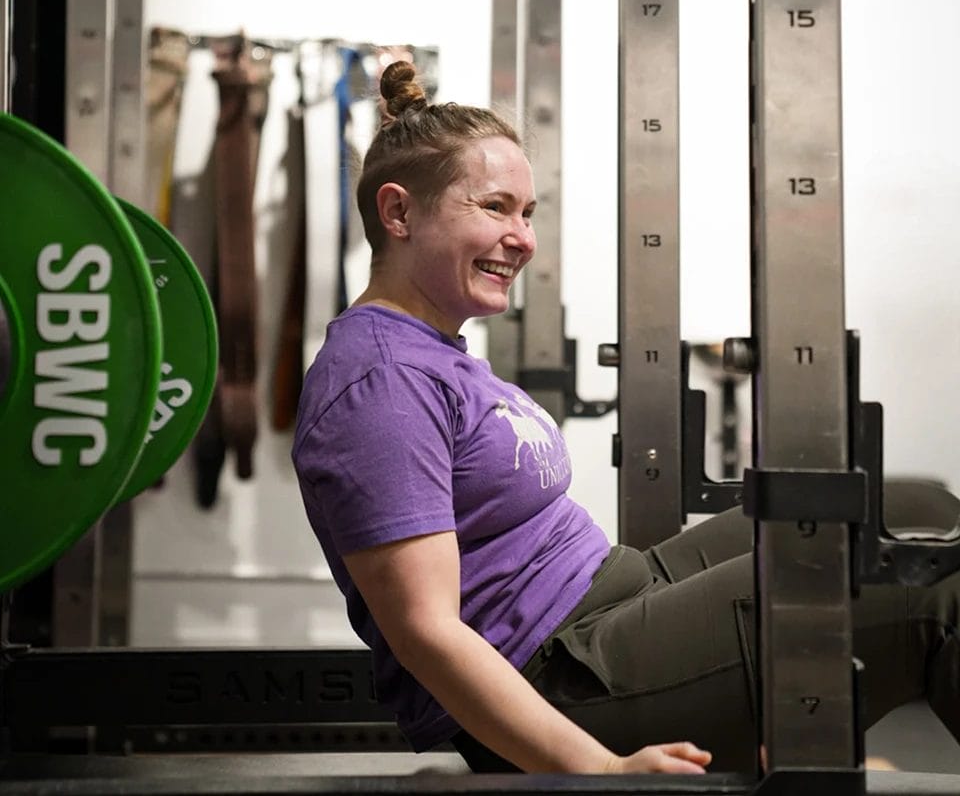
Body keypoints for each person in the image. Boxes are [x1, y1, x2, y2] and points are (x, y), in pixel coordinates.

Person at [292, 60, 960, 775]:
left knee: (913, 510)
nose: (523, 238)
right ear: (399, 214)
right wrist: (599, 770)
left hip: (614, 591)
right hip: (562, 675)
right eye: (494, 207)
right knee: (938, 594)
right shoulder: (380, 384)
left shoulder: (433, 351)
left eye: (527, 213)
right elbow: (426, 632)